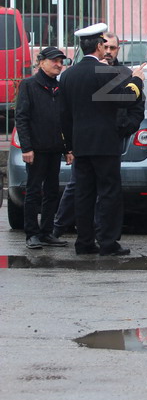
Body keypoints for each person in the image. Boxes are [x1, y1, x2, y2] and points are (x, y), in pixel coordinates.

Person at [59, 23, 146, 256]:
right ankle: (108, 243)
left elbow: (64, 116)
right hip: (105, 143)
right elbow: (126, 100)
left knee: (83, 194)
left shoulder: (67, 75)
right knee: (108, 193)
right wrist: (137, 79)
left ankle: (84, 242)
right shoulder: (103, 73)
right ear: (99, 46)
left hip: (81, 144)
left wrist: (69, 145)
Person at [15, 46, 71, 249]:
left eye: (61, 61)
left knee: (52, 191)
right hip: (36, 149)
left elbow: (65, 119)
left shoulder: (59, 87)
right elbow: (21, 118)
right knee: (33, 191)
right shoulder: (29, 85)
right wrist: (26, 147)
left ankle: (47, 232)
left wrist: (68, 148)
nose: (58, 65)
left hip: (55, 148)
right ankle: (32, 233)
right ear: (41, 62)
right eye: (54, 61)